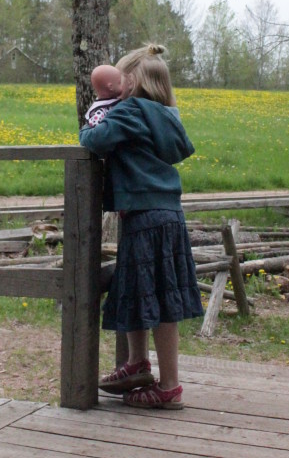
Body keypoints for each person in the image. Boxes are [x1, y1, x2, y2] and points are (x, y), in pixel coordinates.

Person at [79, 44, 203, 410]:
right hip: (166, 214)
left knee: (154, 297)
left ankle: (169, 387)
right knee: (140, 287)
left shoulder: (131, 109)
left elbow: (95, 140)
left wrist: (91, 123)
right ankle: (138, 364)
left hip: (145, 218)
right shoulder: (167, 115)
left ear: (130, 81)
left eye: (119, 79)